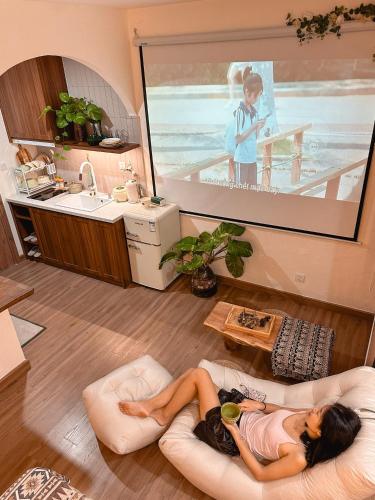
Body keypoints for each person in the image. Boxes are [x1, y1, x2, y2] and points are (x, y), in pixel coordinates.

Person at [119, 367, 361, 482]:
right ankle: (157, 409)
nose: (316, 408)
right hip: (241, 414)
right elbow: (280, 409)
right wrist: (260, 406)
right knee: (193, 373)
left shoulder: (298, 455)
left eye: (321, 413)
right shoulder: (307, 415)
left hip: (228, 434)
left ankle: (156, 409)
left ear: (319, 432)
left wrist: (235, 432)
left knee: (199, 375)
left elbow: (261, 473)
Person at [227, 66, 266, 186]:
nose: (257, 99)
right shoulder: (240, 112)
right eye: (256, 95)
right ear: (247, 92)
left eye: (259, 95)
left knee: (252, 191)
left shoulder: (255, 112)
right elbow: (238, 138)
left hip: (252, 159)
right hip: (241, 160)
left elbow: (254, 137)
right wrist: (254, 126)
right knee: (240, 191)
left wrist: (259, 127)